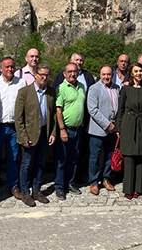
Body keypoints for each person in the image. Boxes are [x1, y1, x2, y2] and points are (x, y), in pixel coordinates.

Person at [14, 64, 57, 207]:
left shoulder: (51, 92)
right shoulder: (24, 92)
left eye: (47, 75)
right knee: (26, 164)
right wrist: (23, 136)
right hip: (29, 135)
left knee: (40, 163)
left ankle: (37, 190)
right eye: (41, 75)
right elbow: (18, 117)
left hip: (45, 133)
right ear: (35, 75)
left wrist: (53, 132)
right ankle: (25, 192)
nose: (44, 77)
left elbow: (53, 116)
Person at [0, 56, 25, 200]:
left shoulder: (20, 83)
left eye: (12, 67)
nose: (10, 69)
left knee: (13, 159)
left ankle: (13, 187)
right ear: (1, 68)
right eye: (7, 67)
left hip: (15, 127)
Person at [117, 62, 142, 199]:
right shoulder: (126, 89)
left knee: (141, 155)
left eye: (140, 71)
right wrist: (119, 127)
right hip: (129, 123)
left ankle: (139, 187)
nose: (139, 73)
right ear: (131, 73)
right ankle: (128, 188)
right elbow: (120, 109)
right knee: (129, 155)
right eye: (136, 71)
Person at [54, 62, 87, 200]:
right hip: (66, 129)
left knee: (74, 159)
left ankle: (71, 183)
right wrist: (62, 129)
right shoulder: (61, 88)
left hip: (78, 129)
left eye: (74, 71)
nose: (72, 74)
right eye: (69, 71)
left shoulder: (81, 86)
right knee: (62, 160)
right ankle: (59, 186)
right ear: (64, 74)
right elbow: (58, 110)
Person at [86, 65, 120, 195]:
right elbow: (93, 110)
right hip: (98, 129)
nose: (106, 77)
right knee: (94, 157)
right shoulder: (94, 89)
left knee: (110, 156)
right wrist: (107, 124)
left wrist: (116, 125)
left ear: (112, 75)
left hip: (113, 129)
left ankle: (106, 178)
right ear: (100, 75)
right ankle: (93, 182)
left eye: (109, 74)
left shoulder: (117, 88)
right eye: (103, 74)